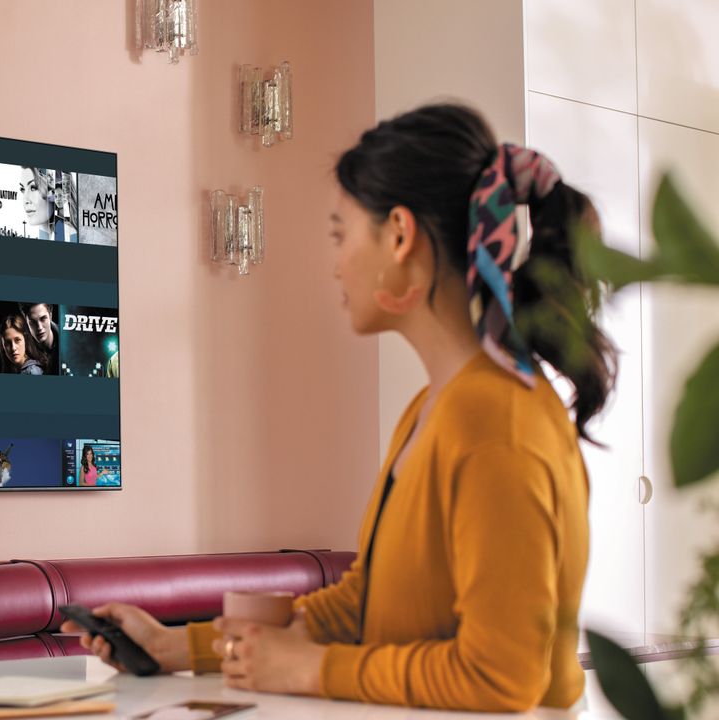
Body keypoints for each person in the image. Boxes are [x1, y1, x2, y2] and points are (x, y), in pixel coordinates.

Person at [63, 104, 615, 713]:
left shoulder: (496, 424)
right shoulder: (433, 409)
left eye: (340, 234)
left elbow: (500, 677)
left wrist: (311, 670)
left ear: (399, 236)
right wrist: (176, 649)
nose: (335, 263)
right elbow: (361, 606)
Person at [20, 166, 77, 242]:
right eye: (22, 189)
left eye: (33, 187)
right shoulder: (46, 230)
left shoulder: (68, 232)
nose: (25, 200)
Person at [23, 303, 58, 373]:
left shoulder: (70, 338)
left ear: (50, 315)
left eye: (43, 319)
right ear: (26, 321)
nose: (39, 327)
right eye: (32, 322)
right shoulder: (22, 347)